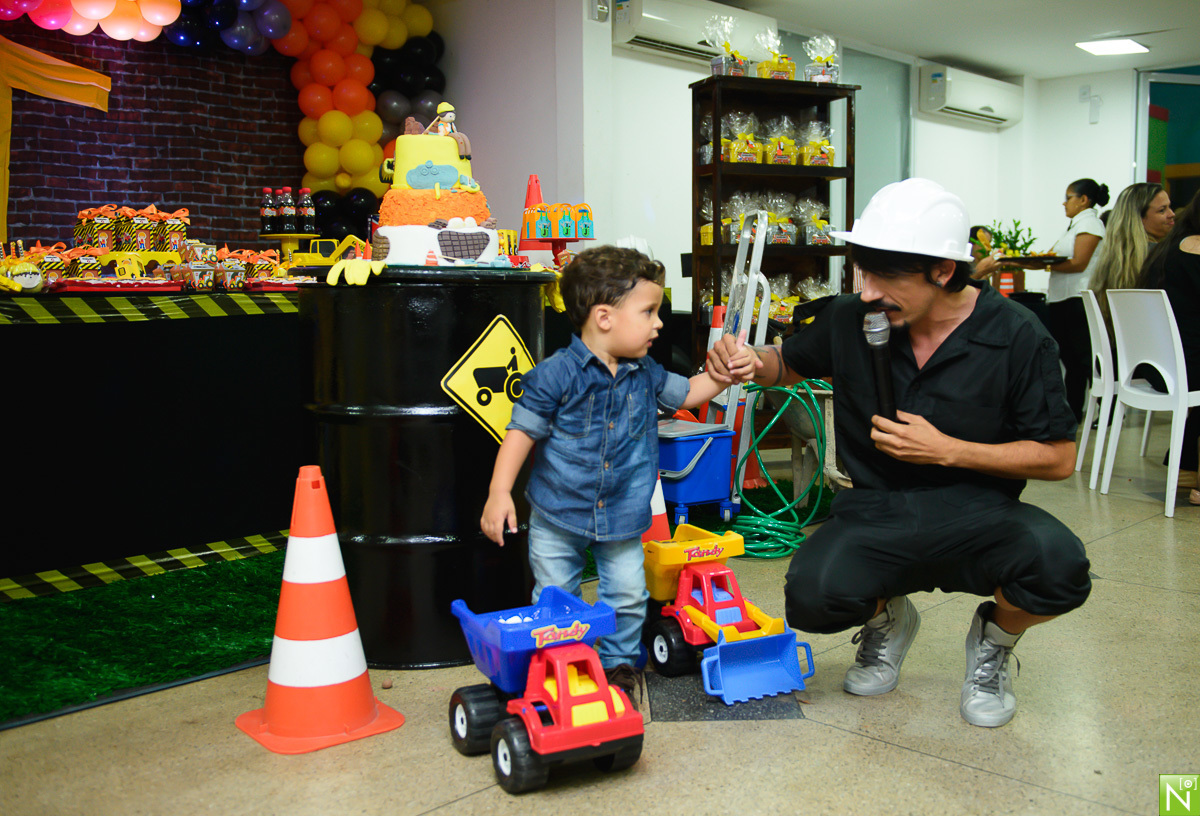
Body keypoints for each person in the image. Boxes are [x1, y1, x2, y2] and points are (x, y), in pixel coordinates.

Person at [708, 178, 1091, 728]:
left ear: (942, 270)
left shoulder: (1016, 335)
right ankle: (889, 622)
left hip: (979, 512)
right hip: (879, 507)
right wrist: (749, 360)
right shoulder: (850, 317)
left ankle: (994, 643)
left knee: (1061, 567)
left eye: (885, 275)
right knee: (812, 596)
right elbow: (787, 362)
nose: (867, 291)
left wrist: (950, 451)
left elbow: (1057, 458)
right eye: (863, 272)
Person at [480, 245, 751, 698]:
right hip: (557, 511)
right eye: (648, 312)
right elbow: (521, 431)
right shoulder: (555, 375)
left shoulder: (647, 372)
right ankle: (559, 668)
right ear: (604, 317)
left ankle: (619, 665)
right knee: (556, 599)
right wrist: (499, 491)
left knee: (627, 595)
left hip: (623, 509)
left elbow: (688, 393)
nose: (659, 323)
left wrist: (725, 375)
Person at [1012, 179, 1109, 422]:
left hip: (1077, 299)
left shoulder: (1090, 224)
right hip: (1062, 299)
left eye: (1069, 197)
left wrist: (1044, 264)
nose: (1064, 203)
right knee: (1071, 361)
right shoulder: (1075, 225)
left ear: (1084, 200)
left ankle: (1107, 411)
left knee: (1085, 361)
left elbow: (1079, 263)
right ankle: (1073, 412)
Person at [1139, 188, 1200, 499]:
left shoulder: (1167, 248)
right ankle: (1190, 468)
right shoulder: (1194, 247)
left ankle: (1188, 467)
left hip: (1156, 363)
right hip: (1182, 367)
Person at [1091, 183, 1174, 328]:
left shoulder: (1108, 259)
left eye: (1169, 207)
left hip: (1118, 346)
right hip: (1159, 345)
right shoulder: (1162, 257)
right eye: (1162, 210)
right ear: (1138, 218)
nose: (1172, 214)